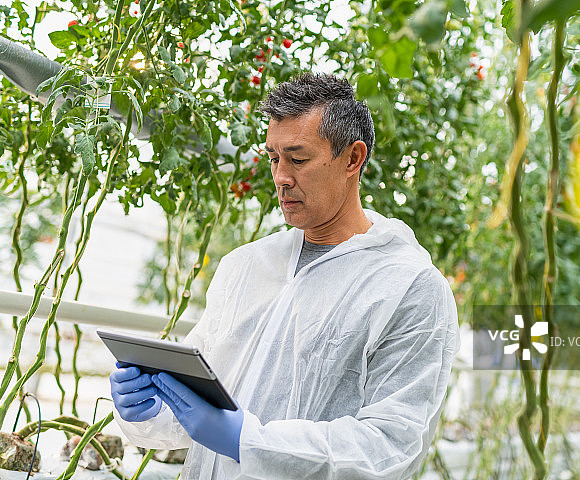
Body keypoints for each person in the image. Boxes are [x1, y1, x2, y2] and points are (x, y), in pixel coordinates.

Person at [109, 73, 459, 480]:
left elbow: (389, 446)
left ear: (352, 158)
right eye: (274, 158)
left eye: (298, 158)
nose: (280, 177)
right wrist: (152, 405)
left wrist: (248, 440)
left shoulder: (408, 288)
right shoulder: (246, 267)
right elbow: (202, 407)